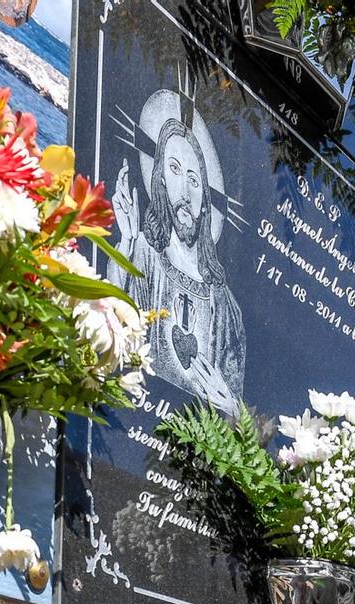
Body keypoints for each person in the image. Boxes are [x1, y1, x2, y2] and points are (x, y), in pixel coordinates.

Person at [111, 90, 246, 409]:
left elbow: (238, 417)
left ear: (206, 201)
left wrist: (229, 408)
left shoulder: (225, 308)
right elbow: (110, 335)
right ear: (159, 180)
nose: (185, 190)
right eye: (174, 170)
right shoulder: (141, 254)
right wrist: (127, 243)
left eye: (194, 180)